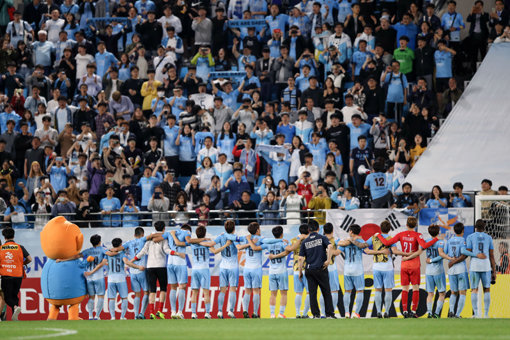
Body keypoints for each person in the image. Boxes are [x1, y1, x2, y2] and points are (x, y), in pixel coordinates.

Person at [377, 217, 439, 318]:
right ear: (415, 225)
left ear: (406, 224)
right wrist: (436, 239)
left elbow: (387, 243)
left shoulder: (401, 234)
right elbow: (423, 245)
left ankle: (405, 311)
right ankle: (413, 311)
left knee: (405, 288)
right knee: (415, 288)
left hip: (404, 263)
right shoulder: (418, 235)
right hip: (414, 264)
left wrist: (379, 235)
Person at [130, 221, 184, 319]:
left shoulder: (149, 238)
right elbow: (167, 250)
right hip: (161, 266)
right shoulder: (163, 238)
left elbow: (142, 252)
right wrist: (177, 253)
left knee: (152, 291)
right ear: (164, 228)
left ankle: (151, 312)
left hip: (150, 267)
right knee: (163, 289)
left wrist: (133, 259)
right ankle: (159, 310)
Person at [298, 220, 335, 319]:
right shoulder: (322, 238)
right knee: (326, 291)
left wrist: (300, 272)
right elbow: (330, 246)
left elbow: (300, 258)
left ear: (308, 229)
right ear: (318, 228)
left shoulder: (305, 242)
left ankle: (316, 314)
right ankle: (329, 314)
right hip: (321, 268)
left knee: (312, 293)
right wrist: (328, 260)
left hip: (309, 270)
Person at [189, 226, 228, 319]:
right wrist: (225, 245)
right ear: (205, 234)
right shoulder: (207, 243)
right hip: (204, 269)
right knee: (206, 292)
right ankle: (207, 313)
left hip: (195, 269)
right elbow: (214, 251)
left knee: (194, 292)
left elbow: (189, 241)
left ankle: (193, 313)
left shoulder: (192, 243)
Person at [446, 223, 479, 318]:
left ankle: (451, 312)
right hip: (460, 269)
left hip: (451, 270)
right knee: (462, 292)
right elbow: (464, 253)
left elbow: (444, 252)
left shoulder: (449, 241)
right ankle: (457, 314)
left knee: (453, 292)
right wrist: (474, 254)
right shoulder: (463, 240)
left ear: (454, 231)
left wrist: (451, 260)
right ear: (463, 230)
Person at [464, 220, 496, 318]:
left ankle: (476, 313)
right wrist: (494, 271)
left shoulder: (470, 237)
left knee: (474, 289)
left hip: (474, 265)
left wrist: (476, 255)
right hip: (486, 266)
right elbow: (491, 255)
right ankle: (486, 314)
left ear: (475, 227)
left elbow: (467, 252)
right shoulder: (489, 238)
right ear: (485, 227)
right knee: (487, 289)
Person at [0, 227, 32, 321]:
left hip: (6, 275)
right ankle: (15, 316)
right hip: (18, 275)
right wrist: (22, 264)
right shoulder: (20, 247)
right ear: (14, 236)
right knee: (14, 295)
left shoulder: (1, 248)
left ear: (4, 237)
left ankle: (14, 307)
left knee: (6, 297)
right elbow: (29, 259)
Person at [336, 224, 367, 319]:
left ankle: (346, 312)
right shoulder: (361, 241)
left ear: (351, 232)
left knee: (347, 291)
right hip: (358, 270)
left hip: (347, 269)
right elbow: (367, 250)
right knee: (360, 291)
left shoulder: (345, 242)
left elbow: (337, 252)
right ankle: (356, 313)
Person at [259, 226, 289, 318]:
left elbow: (257, 247)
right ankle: (281, 313)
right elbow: (288, 251)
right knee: (283, 293)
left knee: (273, 294)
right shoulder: (283, 242)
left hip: (271, 271)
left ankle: (272, 314)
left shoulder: (268, 244)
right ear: (282, 234)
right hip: (281, 271)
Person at [238, 222, 263, 319]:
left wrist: (248, 241)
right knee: (256, 291)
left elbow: (239, 247)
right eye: (259, 229)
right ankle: (255, 313)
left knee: (247, 290)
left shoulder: (245, 238)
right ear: (257, 230)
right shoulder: (260, 239)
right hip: (256, 268)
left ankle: (245, 310)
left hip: (246, 268)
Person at [81, 234, 107, 320]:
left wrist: (63, 259)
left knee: (91, 297)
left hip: (89, 278)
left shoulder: (88, 251)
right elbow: (102, 263)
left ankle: (90, 316)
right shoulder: (103, 250)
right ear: (100, 242)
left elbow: (77, 256)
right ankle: (97, 316)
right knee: (100, 296)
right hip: (99, 277)